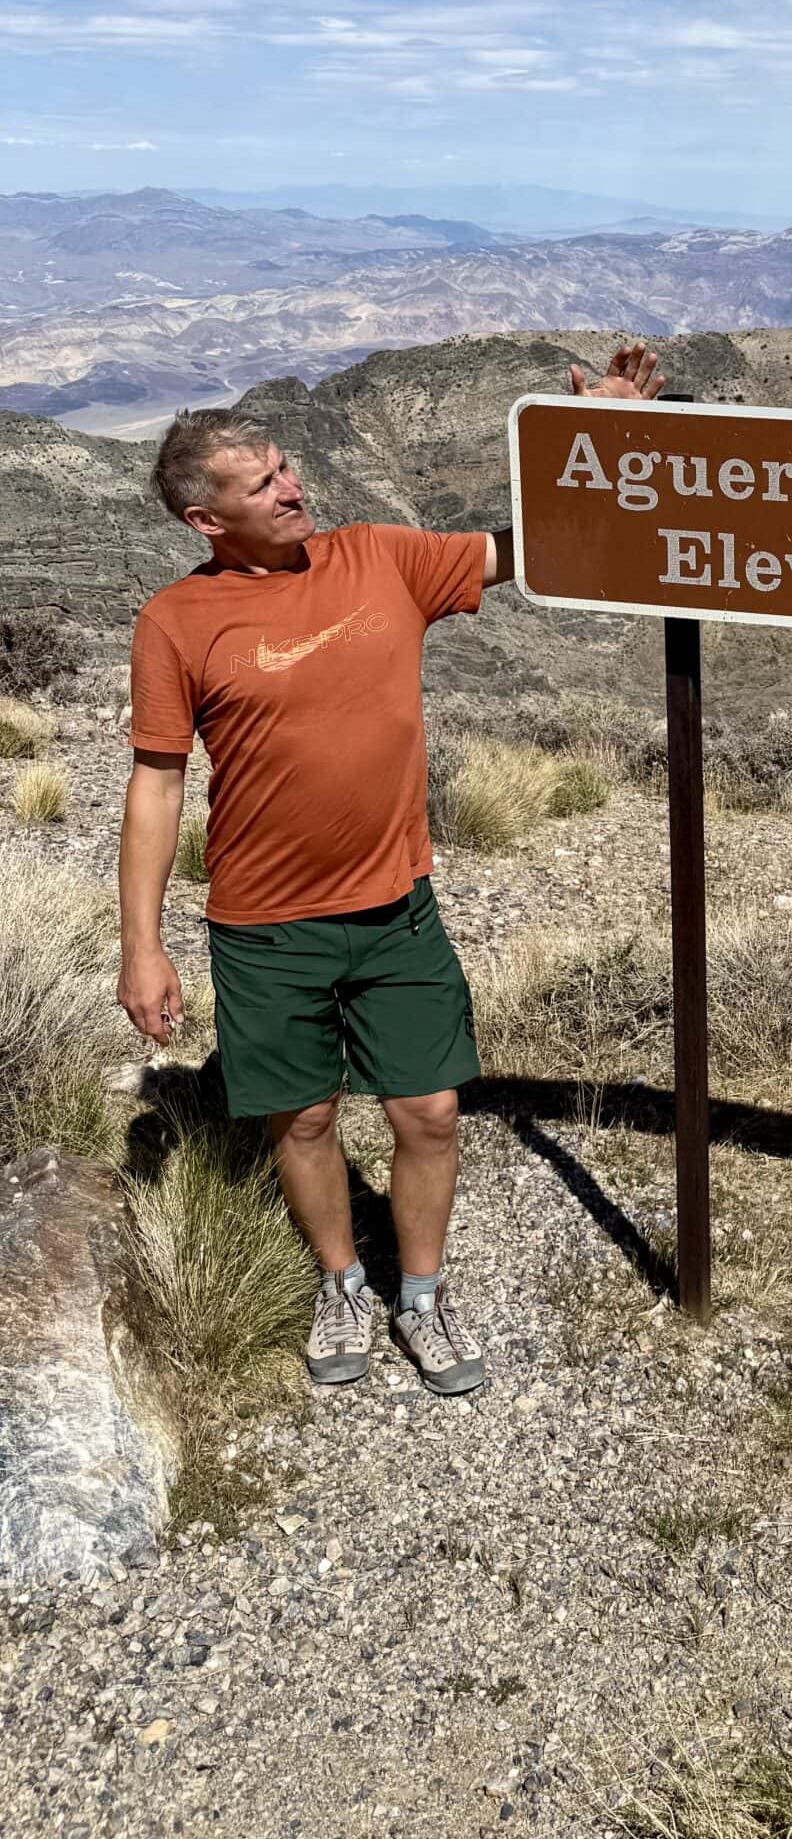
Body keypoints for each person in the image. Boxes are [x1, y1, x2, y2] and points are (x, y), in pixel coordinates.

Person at [115, 342, 664, 1396]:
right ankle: (338, 1280)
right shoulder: (175, 624)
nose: (294, 485)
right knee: (306, 1119)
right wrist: (142, 947)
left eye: (286, 464)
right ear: (205, 519)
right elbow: (156, 785)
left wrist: (597, 428)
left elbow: (537, 543)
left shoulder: (380, 557)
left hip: (396, 906)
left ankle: (421, 1295)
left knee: (429, 1112)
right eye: (264, 481)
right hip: (264, 924)